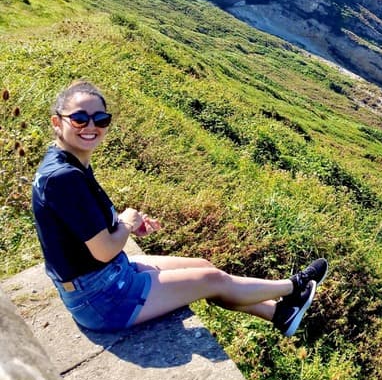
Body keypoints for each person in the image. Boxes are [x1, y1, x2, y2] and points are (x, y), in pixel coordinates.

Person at [31, 80, 327, 336]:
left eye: (101, 119)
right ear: (57, 122)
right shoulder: (65, 177)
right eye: (80, 118)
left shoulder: (67, 162)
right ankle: (294, 287)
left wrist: (122, 222)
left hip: (106, 277)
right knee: (212, 280)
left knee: (204, 268)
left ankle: (278, 314)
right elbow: (104, 250)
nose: (91, 127)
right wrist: (127, 224)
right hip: (101, 298)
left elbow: (83, 225)